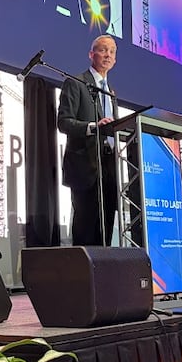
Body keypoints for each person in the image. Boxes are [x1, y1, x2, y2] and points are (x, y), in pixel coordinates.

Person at [57, 35, 119, 246]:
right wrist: (93, 127)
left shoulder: (111, 93)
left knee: (106, 228)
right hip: (85, 167)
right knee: (85, 229)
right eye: (103, 50)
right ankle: (83, 277)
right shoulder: (76, 83)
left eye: (112, 51)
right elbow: (64, 122)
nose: (108, 55)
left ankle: (104, 275)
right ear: (91, 54)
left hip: (110, 168)